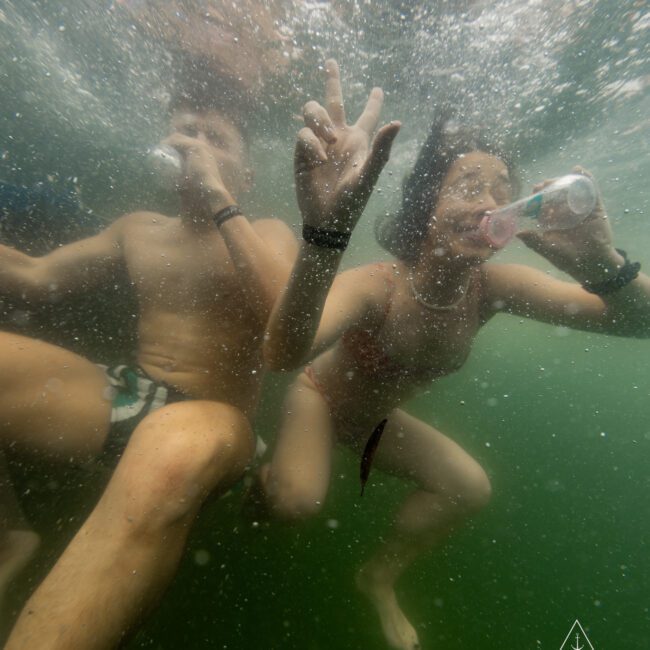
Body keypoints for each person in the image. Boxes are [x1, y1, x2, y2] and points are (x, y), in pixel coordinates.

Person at [258, 60, 650, 650]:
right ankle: (258, 471)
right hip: (321, 395)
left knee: (470, 488)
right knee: (295, 504)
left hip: (376, 421)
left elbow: (639, 325)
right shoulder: (379, 285)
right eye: (469, 187)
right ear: (426, 205)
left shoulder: (493, 289)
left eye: (501, 193)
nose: (490, 205)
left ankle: (379, 578)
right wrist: (326, 235)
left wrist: (605, 267)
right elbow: (284, 353)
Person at [0, 97, 297, 648]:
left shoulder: (267, 230)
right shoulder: (138, 229)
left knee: (168, 444)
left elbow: (288, 327)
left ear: (247, 176)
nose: (195, 146)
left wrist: (217, 197)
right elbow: (36, 275)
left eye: (215, 137)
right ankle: (7, 538)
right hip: (128, 392)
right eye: (185, 132)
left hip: (216, 420)